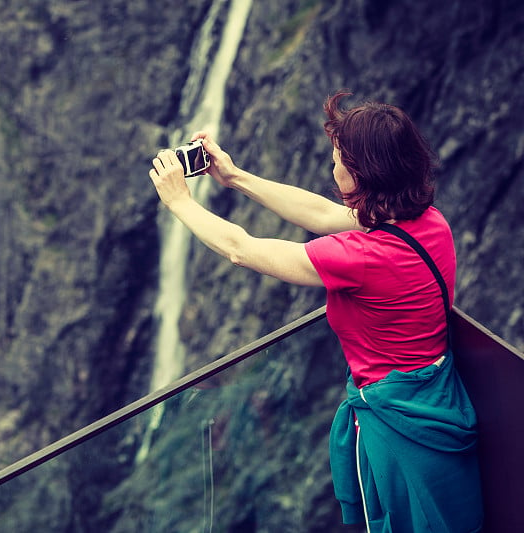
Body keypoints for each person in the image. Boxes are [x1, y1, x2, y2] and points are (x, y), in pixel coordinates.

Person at [148, 91, 483, 532]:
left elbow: (241, 250)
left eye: (337, 160)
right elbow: (323, 213)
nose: (332, 168)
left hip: (396, 424)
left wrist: (179, 202)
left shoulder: (362, 257)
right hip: (438, 399)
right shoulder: (427, 221)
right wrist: (234, 177)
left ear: (361, 173)